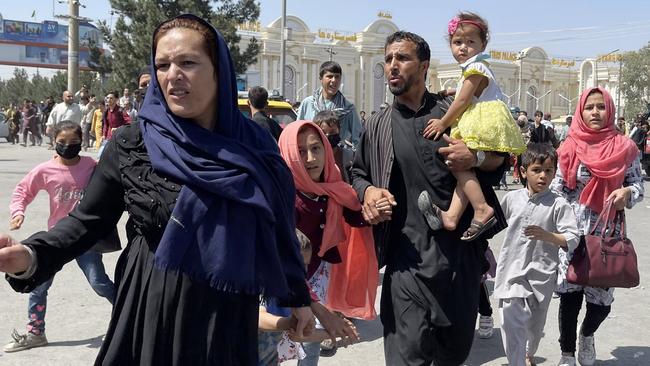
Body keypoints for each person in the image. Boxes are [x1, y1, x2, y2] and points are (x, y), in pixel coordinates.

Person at [0, 14, 314, 365]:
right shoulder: (134, 143)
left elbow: (280, 227)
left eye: (188, 62)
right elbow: (87, 222)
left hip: (226, 314)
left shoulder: (256, 145)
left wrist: (297, 297)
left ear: (218, 70)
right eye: (162, 64)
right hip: (152, 307)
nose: (172, 75)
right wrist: (31, 256)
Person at [351, 30, 508, 366]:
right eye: (389, 59)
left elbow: (500, 159)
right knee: (406, 358)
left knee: (453, 355)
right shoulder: (378, 125)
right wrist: (368, 192)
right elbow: (357, 173)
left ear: (423, 66)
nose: (393, 66)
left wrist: (475, 159)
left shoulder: (453, 114)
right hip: (405, 265)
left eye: (402, 58)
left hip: (459, 262)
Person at [4, 121, 115, 353]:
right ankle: (36, 333)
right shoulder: (45, 170)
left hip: (85, 239)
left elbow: (112, 185)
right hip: (56, 240)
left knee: (99, 283)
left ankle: (130, 317)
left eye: (74, 143)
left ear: (81, 142)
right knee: (38, 287)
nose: (67, 147)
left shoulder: (91, 166)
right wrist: (18, 212)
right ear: (54, 141)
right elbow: (23, 191)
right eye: (62, 143)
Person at [551, 87, 644, 366]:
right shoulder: (570, 145)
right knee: (569, 297)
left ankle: (587, 335)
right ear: (580, 111)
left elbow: (638, 185)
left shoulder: (626, 148)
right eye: (589, 107)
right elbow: (558, 186)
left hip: (607, 232)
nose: (595, 112)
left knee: (600, 301)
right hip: (572, 232)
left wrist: (627, 194)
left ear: (610, 111)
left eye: (601, 107)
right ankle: (567, 353)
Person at [420, 12, 526, 240]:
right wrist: (451, 90)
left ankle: (482, 208)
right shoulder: (474, 68)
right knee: (464, 168)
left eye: (470, 42)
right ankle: (452, 216)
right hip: (485, 117)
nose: (463, 48)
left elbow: (462, 100)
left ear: (483, 44)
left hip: (482, 120)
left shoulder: (476, 67)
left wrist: (443, 122)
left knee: (458, 163)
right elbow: (466, 92)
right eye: (457, 42)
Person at [279, 121, 368, 366]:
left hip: (317, 273)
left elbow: (354, 214)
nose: (310, 158)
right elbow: (282, 258)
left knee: (309, 346)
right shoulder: (284, 198)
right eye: (300, 152)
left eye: (316, 148)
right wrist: (322, 313)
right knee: (274, 341)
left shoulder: (332, 186)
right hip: (285, 281)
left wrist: (373, 210)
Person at [493, 143, 580, 366]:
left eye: (548, 171)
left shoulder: (558, 204)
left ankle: (528, 353)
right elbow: (492, 224)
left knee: (533, 327)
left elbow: (572, 237)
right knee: (512, 321)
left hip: (541, 277)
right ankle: (517, 362)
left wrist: (547, 236)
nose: (543, 176)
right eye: (537, 170)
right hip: (512, 272)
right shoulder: (512, 199)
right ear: (523, 172)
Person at [297, 61, 363, 147]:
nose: (334, 80)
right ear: (321, 78)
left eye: (337, 77)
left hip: (337, 156)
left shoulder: (348, 109)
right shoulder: (308, 104)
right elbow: (298, 132)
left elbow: (358, 139)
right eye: (329, 76)